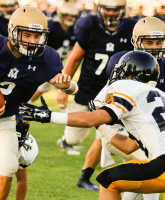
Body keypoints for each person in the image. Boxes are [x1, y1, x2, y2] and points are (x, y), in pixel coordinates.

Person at [0, 6, 77, 200]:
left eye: (37, 36)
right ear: (12, 31)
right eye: (26, 35)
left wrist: (68, 86)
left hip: (4, 119)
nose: (32, 41)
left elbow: (69, 87)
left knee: (8, 167)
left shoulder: (46, 59)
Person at [19, 50, 165, 200]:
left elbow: (90, 119)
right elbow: (129, 146)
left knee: (108, 181)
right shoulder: (160, 95)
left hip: (162, 165)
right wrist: (102, 128)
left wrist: (49, 116)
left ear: (130, 75)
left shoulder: (126, 87)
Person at [76, 15, 165, 194]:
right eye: (149, 42)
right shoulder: (123, 60)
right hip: (121, 129)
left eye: (158, 42)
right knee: (149, 165)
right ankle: (86, 174)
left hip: (149, 132)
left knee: (135, 178)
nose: (155, 48)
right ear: (136, 41)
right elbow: (111, 98)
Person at [55, 0, 136, 190]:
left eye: (115, 9)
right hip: (88, 90)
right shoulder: (89, 25)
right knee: (75, 139)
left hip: (114, 92)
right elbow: (75, 58)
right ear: (100, 9)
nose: (110, 13)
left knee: (104, 135)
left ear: (123, 11)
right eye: (107, 8)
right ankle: (66, 141)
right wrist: (62, 89)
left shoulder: (131, 28)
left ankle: (85, 177)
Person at [29, 2, 78, 113]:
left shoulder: (74, 30)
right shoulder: (51, 27)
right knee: (61, 84)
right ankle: (64, 108)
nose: (70, 18)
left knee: (45, 86)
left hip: (53, 64)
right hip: (41, 61)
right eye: (67, 15)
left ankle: (27, 102)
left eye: (72, 16)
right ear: (61, 15)